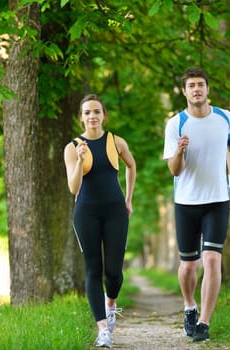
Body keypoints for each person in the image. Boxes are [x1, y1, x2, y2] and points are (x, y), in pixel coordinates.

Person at [163, 67, 230, 342]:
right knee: (188, 266)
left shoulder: (225, 118)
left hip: (217, 200)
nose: (196, 89)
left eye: (200, 85)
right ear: (184, 92)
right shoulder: (176, 124)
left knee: (211, 258)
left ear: (207, 89)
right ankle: (189, 306)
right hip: (186, 202)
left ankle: (204, 323)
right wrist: (179, 151)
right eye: (191, 86)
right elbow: (174, 170)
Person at [64, 94, 136, 348]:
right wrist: (81, 160)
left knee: (114, 272)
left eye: (96, 111)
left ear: (103, 115)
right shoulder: (72, 148)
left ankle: (110, 304)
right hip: (86, 213)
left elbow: (131, 165)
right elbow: (74, 188)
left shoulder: (116, 142)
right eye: (87, 112)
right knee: (93, 269)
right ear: (81, 117)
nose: (92, 116)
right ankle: (103, 329)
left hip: (116, 211)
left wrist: (128, 199)